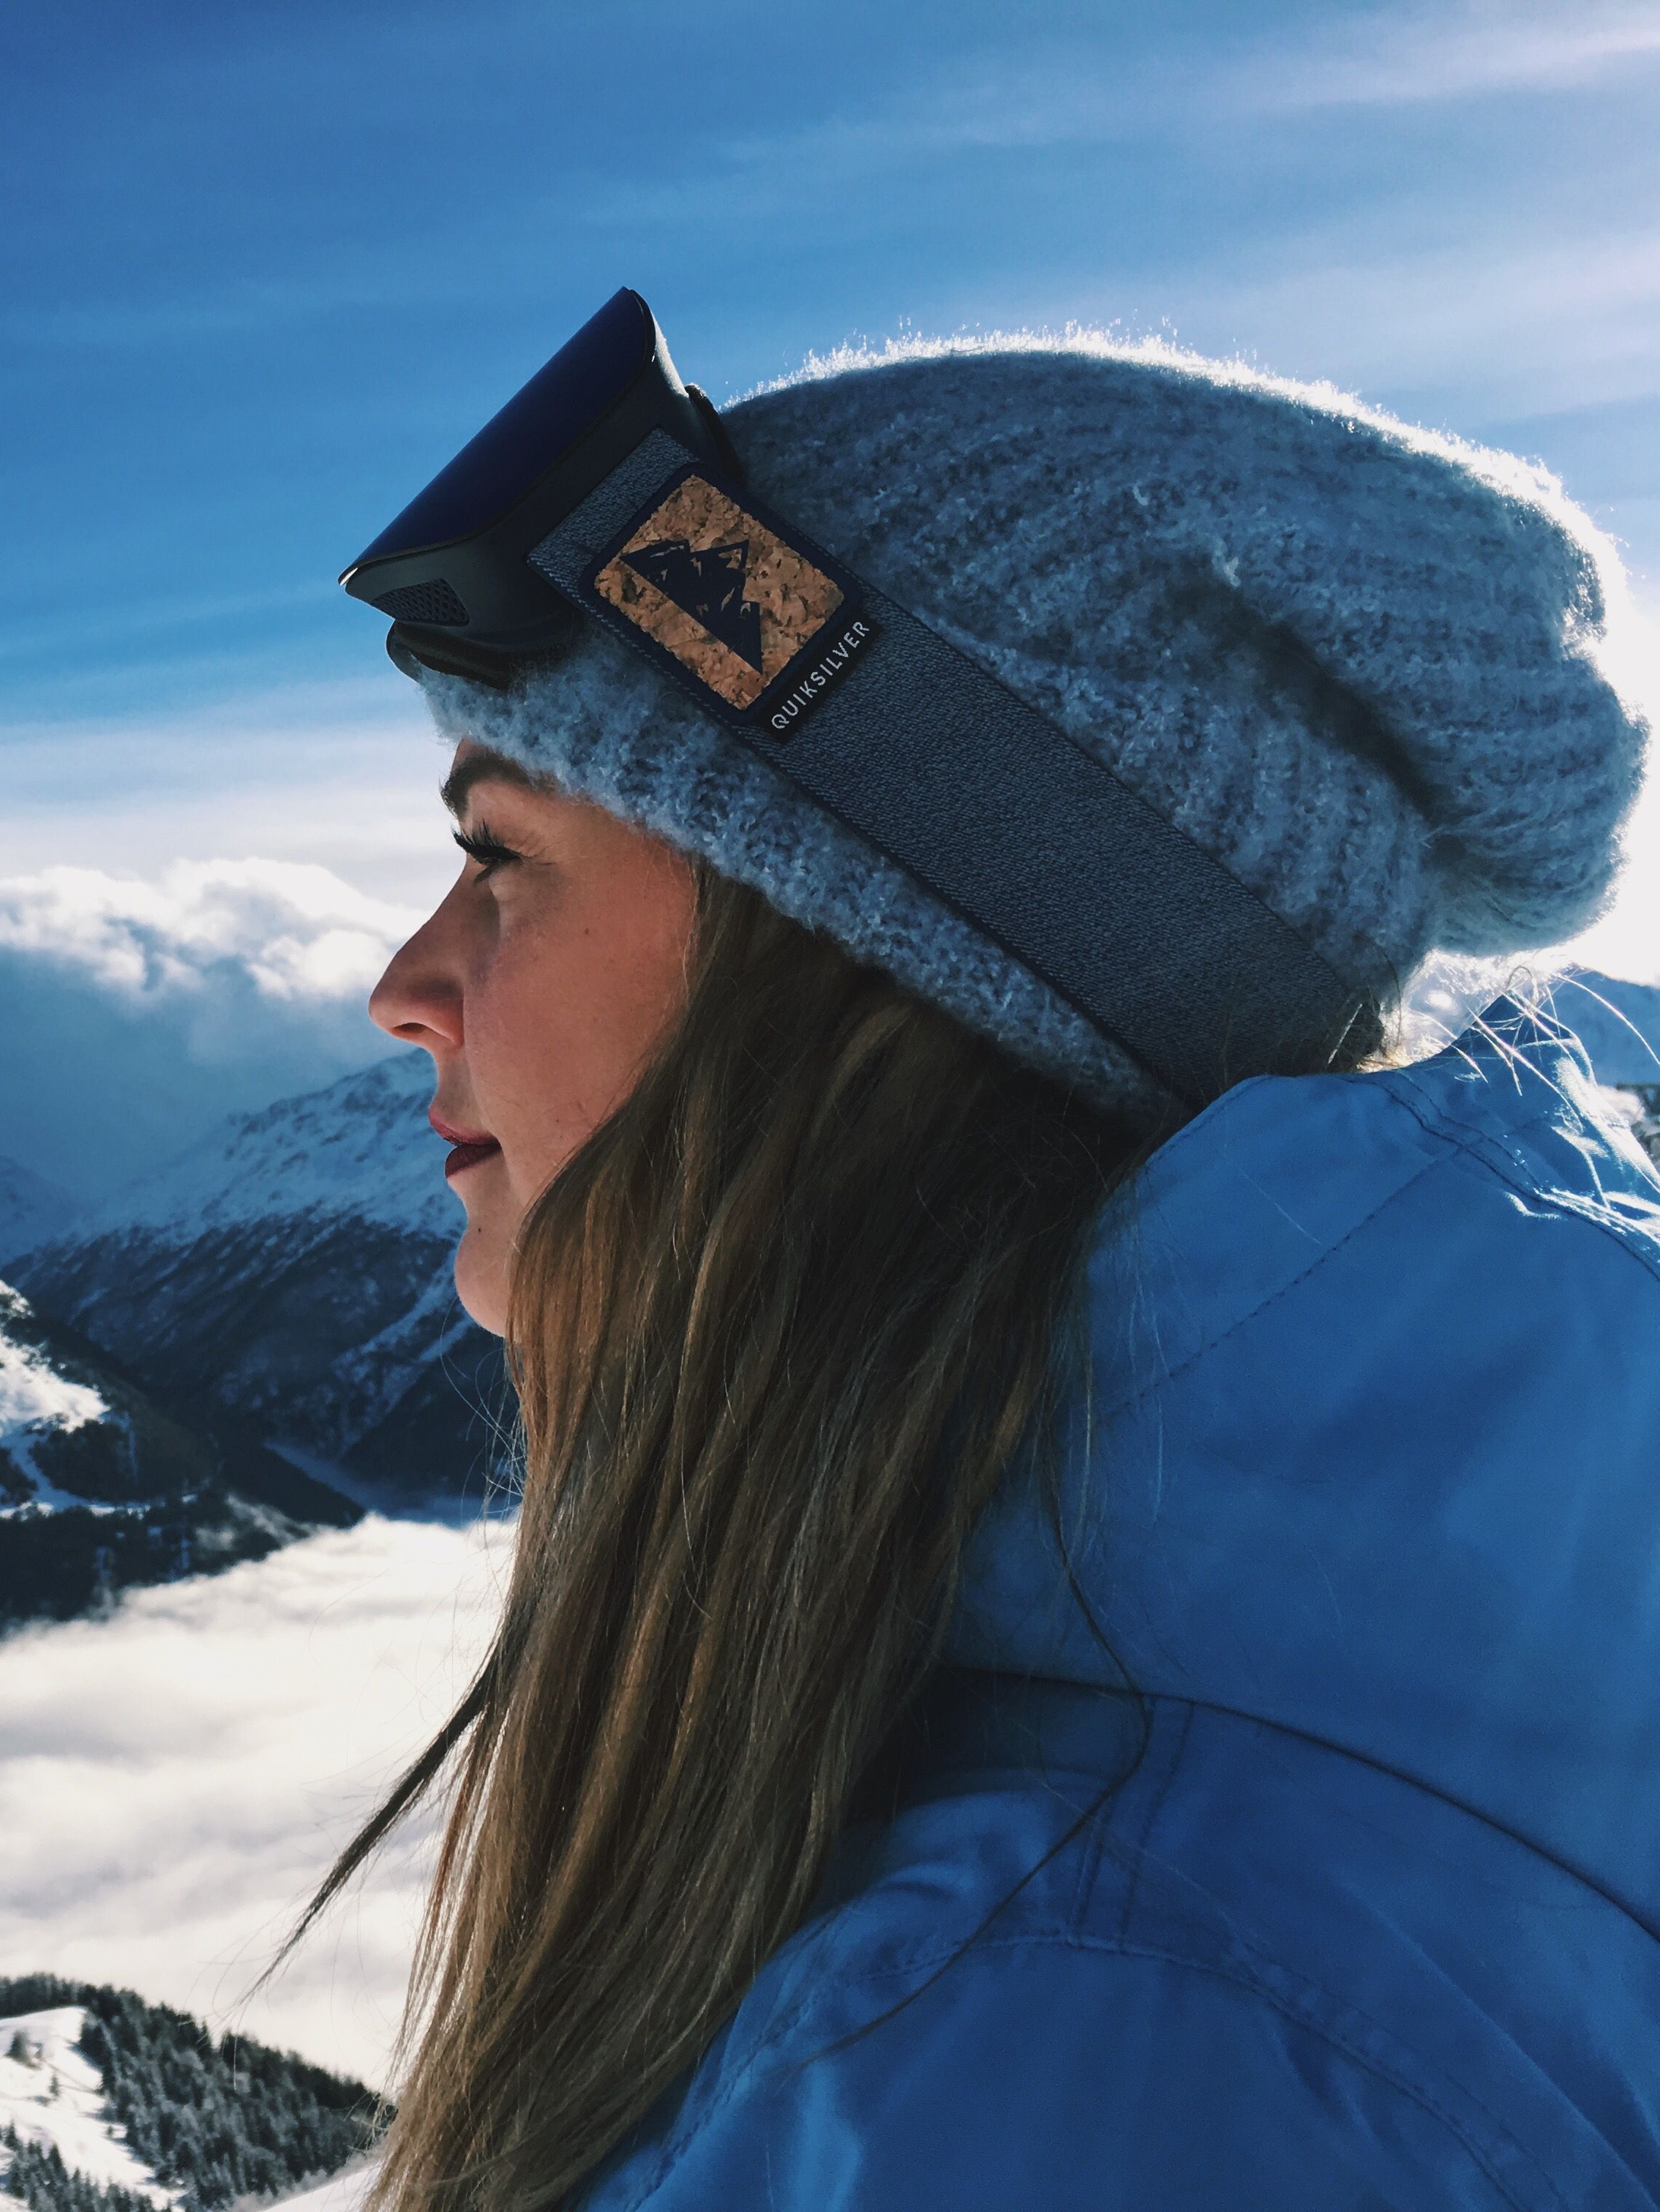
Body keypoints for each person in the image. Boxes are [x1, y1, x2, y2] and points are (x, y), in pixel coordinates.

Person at [313, 296, 1657, 2208]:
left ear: (864, 974)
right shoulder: (1407, 1717)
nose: (405, 987)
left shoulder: (1040, 2064)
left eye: (507, 859)